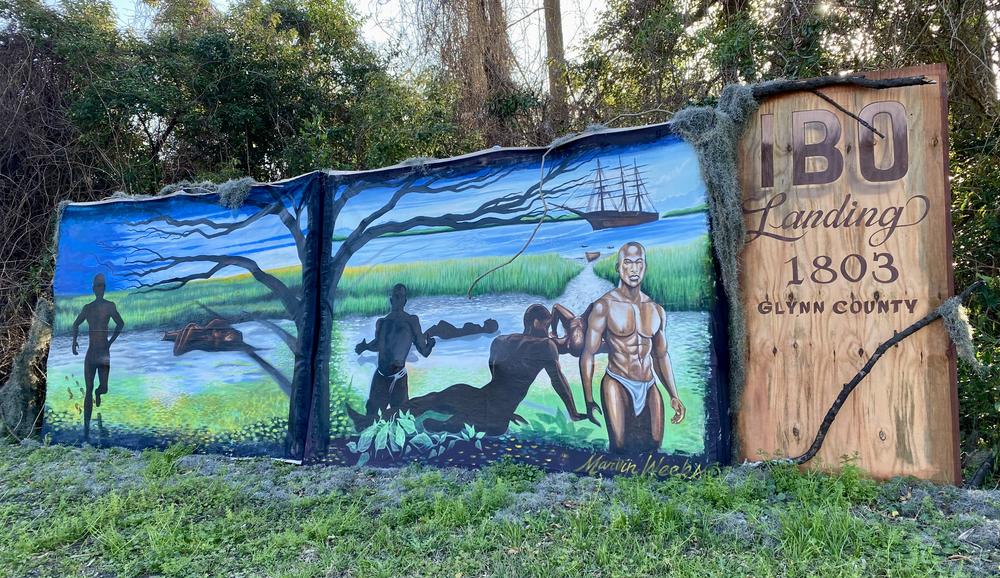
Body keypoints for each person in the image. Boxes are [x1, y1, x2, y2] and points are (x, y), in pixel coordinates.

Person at [399, 304, 593, 435]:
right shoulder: (545, 346)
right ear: (536, 323)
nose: (549, 328)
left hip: (480, 394)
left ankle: (379, 418)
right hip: (498, 412)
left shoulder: (501, 340)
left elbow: (494, 369)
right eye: (547, 323)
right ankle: (450, 424)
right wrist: (573, 413)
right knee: (487, 421)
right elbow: (558, 381)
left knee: (433, 398)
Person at [579, 242, 686, 454]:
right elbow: (588, 355)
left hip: (648, 383)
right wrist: (588, 399)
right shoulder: (604, 306)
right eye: (627, 263)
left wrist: (674, 394)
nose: (634, 269)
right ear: (618, 268)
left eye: (639, 263)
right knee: (619, 446)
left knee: (654, 444)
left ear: (645, 267)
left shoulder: (656, 310)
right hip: (617, 381)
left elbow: (661, 356)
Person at [348, 284, 434, 429]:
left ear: (399, 300)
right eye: (397, 296)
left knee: (399, 418)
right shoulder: (383, 322)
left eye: (399, 296)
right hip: (381, 376)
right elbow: (378, 344)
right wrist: (365, 347)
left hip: (397, 376)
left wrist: (429, 345)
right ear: (393, 300)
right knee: (373, 415)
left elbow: (423, 352)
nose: (398, 299)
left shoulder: (408, 321)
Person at [71, 273, 124, 441]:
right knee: (87, 391)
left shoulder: (110, 306)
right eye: (97, 286)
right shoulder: (88, 308)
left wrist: (110, 342)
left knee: (103, 388)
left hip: (104, 353)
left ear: (104, 288)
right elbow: (75, 324)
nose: (100, 289)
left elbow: (120, 323)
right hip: (91, 354)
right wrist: (74, 342)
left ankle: (99, 393)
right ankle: (86, 431)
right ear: (94, 289)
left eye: (102, 286)